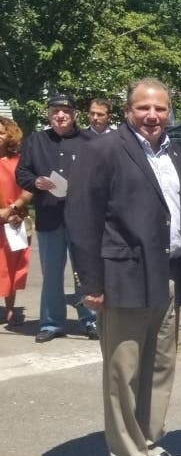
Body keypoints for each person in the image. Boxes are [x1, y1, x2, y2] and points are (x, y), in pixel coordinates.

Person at [67, 78, 181, 456]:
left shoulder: (177, 153)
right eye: (143, 108)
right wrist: (90, 284)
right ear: (128, 112)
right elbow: (81, 217)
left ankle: (150, 443)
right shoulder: (103, 150)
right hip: (122, 276)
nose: (152, 116)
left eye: (160, 108)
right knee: (123, 371)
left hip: (168, 275)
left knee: (159, 366)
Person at [15, 92, 99, 342]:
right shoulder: (35, 141)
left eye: (65, 111)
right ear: (48, 114)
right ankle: (51, 323)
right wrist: (36, 182)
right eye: (55, 111)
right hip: (50, 216)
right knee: (51, 273)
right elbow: (22, 173)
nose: (60, 115)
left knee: (84, 272)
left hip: (83, 218)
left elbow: (102, 175)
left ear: (74, 115)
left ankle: (90, 319)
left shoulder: (89, 141)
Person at [0, 118, 33, 327]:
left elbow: (28, 188)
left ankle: (10, 309)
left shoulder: (18, 162)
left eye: (2, 132)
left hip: (13, 221)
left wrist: (13, 209)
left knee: (11, 267)